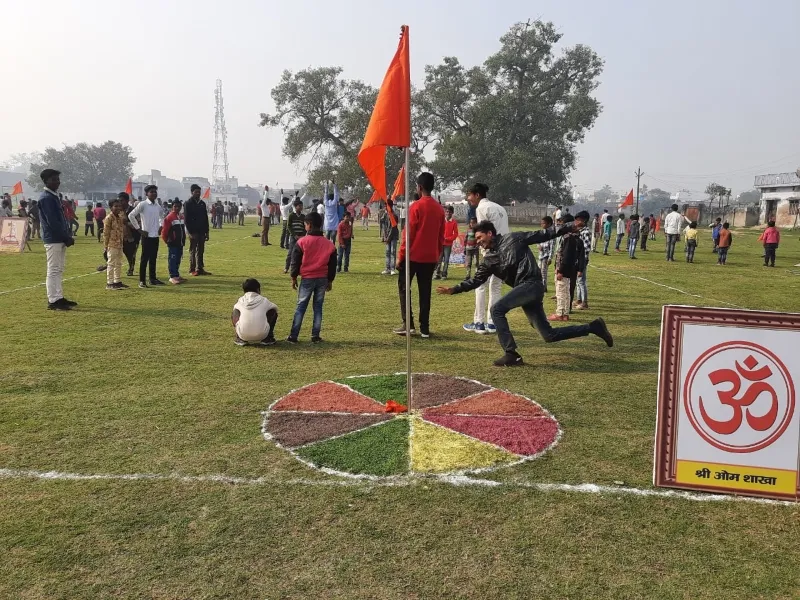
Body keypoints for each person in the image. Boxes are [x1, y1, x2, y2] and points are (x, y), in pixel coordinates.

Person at [436, 221, 613, 367]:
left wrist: (567, 227)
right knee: (549, 336)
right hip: (524, 290)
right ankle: (593, 327)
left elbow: (543, 234)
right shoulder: (488, 260)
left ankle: (511, 354)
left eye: (480, 237)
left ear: (490, 233)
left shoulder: (514, 239)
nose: (478, 242)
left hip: (532, 284)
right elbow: (475, 281)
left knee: (496, 310)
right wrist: (454, 289)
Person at [393, 173, 445, 338]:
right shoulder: (439, 209)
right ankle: (424, 327)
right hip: (430, 256)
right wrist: (438, 256)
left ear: (419, 187)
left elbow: (408, 235)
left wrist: (400, 256)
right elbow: (440, 236)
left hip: (413, 255)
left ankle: (408, 324)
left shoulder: (415, 207)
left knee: (404, 288)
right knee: (425, 291)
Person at [462, 183, 509, 335]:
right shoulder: (500, 208)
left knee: (480, 285)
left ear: (477, 195)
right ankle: (492, 323)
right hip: (504, 251)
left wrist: (484, 252)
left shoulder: (481, 209)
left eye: (469, 195)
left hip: (490, 253)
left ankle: (479, 323)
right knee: (495, 287)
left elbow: (483, 234)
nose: (468, 199)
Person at [288, 212, 337, 343]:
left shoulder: (302, 242)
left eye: (305, 224)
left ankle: (293, 336)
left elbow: (295, 261)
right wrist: (330, 280)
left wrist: (293, 277)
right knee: (318, 307)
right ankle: (315, 335)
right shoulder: (329, 244)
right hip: (322, 279)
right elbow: (333, 264)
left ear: (308, 225)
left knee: (301, 306)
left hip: (307, 279)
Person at [37, 169, 76, 310]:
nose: (57, 182)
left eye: (58, 179)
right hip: (53, 238)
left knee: (59, 269)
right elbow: (52, 222)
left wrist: (67, 235)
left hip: (59, 238)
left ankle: (59, 297)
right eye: (54, 179)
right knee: (53, 269)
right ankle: (53, 300)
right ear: (46, 181)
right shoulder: (46, 198)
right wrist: (66, 237)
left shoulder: (54, 196)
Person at [127, 184, 165, 288]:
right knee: (145, 259)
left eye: (155, 192)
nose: (153, 193)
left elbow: (162, 216)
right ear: (146, 194)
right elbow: (131, 215)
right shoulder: (143, 204)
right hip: (146, 236)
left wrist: (161, 226)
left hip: (155, 236)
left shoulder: (157, 206)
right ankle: (142, 281)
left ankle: (153, 279)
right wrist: (139, 229)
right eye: (151, 192)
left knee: (153, 258)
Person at [551, 215, 583, 320]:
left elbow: (566, 256)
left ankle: (560, 313)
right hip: (569, 269)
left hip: (564, 269)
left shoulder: (568, 238)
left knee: (561, 291)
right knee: (566, 291)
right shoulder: (574, 237)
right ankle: (565, 313)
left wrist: (560, 270)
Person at [232, 279, 279, 346]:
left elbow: (235, 309)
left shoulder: (240, 300)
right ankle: (268, 338)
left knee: (235, 311)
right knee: (272, 311)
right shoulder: (264, 300)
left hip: (242, 334)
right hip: (263, 334)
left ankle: (239, 338)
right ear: (258, 289)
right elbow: (275, 308)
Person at [184, 184, 211, 276]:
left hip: (202, 231)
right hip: (193, 232)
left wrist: (207, 231)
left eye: (199, 192)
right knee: (193, 250)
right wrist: (190, 232)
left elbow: (205, 218)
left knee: (201, 250)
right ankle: (192, 269)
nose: (198, 193)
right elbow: (186, 219)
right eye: (196, 192)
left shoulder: (202, 204)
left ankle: (200, 268)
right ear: (192, 192)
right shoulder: (188, 203)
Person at [102, 198, 128, 290]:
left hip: (119, 244)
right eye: (115, 206)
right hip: (112, 244)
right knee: (111, 263)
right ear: (110, 207)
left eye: (119, 206)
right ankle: (109, 283)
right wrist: (105, 246)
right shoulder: (109, 218)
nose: (118, 208)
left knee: (119, 263)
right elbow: (106, 233)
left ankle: (117, 281)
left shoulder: (119, 218)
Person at [162, 200, 187, 284]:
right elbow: (164, 231)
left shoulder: (181, 216)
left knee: (178, 259)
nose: (177, 208)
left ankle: (176, 274)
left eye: (179, 206)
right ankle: (172, 276)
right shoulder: (169, 217)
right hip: (172, 243)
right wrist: (167, 241)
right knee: (172, 259)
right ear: (172, 207)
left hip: (180, 242)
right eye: (175, 206)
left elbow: (183, 230)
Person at [574, 211, 592, 310]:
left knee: (581, 281)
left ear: (584, 220)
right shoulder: (580, 231)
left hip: (582, 260)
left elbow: (586, 249)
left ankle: (585, 302)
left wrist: (582, 263)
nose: (576, 221)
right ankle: (579, 299)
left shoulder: (586, 232)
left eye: (579, 219)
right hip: (577, 259)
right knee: (578, 280)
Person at [435, 205, 459, 280]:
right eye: (447, 212)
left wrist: (448, 239)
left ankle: (444, 274)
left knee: (446, 260)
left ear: (452, 213)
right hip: (441, 243)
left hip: (448, 244)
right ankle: (437, 273)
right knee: (439, 259)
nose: (448, 213)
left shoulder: (454, 222)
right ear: (445, 212)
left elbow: (455, 234)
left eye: (450, 212)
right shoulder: (442, 220)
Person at [118, 193, 139, 276]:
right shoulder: (118, 211)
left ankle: (131, 267)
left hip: (133, 236)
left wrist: (127, 223)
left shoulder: (134, 211)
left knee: (130, 254)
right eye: (119, 201)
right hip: (120, 235)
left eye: (122, 201)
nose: (120, 203)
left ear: (127, 201)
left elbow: (138, 224)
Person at [285, 198, 306, 274]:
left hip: (301, 237)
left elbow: (305, 227)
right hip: (294, 237)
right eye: (299, 206)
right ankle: (286, 267)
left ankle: (299, 269)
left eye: (301, 206)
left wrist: (302, 235)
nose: (301, 207)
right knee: (291, 252)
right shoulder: (291, 215)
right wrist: (294, 235)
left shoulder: (303, 216)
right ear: (295, 206)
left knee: (300, 253)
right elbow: (289, 226)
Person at [381, 199, 399, 275]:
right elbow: (383, 225)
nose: (385, 207)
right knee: (387, 252)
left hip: (393, 236)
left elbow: (393, 228)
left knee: (392, 252)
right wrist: (384, 236)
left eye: (386, 205)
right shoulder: (385, 215)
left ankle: (392, 269)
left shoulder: (394, 215)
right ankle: (387, 268)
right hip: (387, 236)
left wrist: (388, 238)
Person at [537, 216, 554, 293]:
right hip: (541, 255)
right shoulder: (542, 232)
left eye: (543, 223)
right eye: (541, 223)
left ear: (549, 224)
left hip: (546, 256)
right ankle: (540, 286)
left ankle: (544, 287)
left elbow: (552, 247)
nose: (542, 225)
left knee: (543, 272)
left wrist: (550, 258)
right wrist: (539, 246)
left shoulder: (551, 234)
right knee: (538, 271)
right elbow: (538, 241)